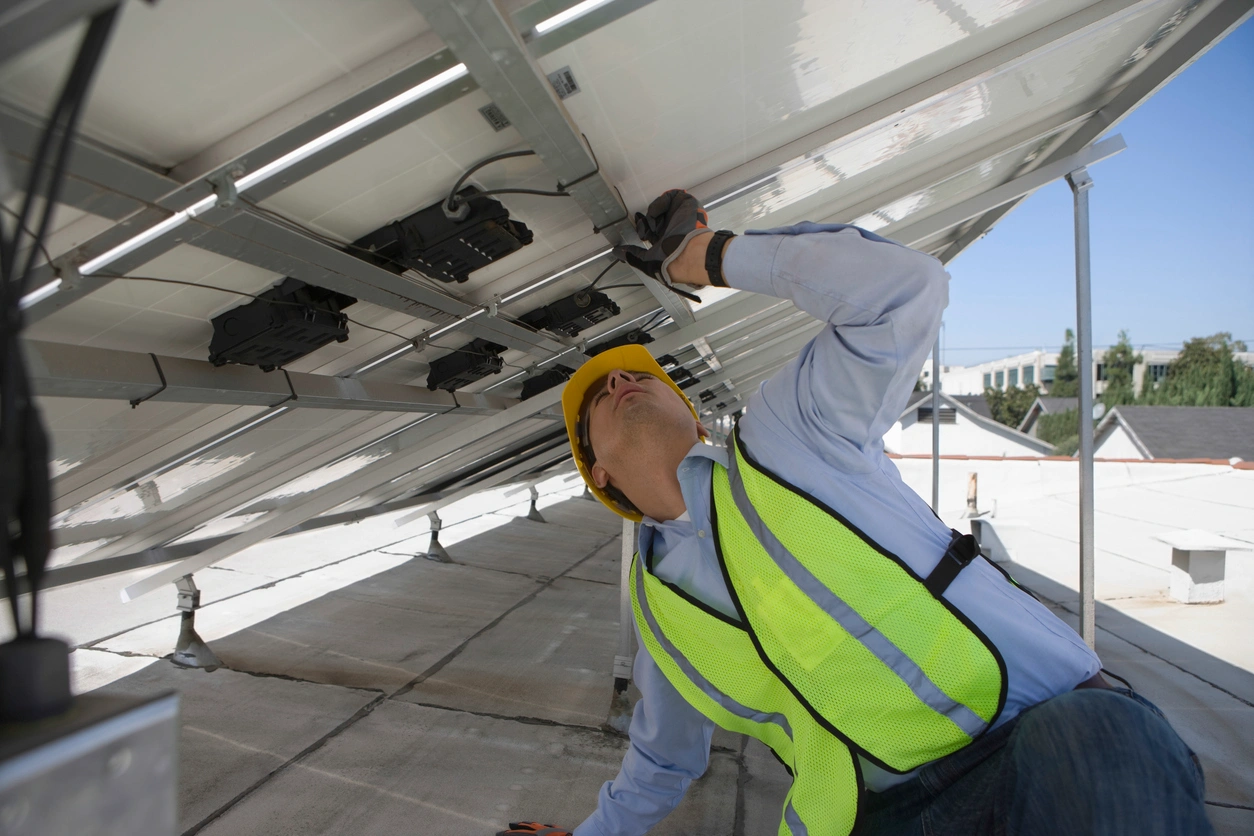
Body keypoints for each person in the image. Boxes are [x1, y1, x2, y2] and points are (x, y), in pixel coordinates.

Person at [497, 191, 1212, 836]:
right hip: (879, 815)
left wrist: (704, 257)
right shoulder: (657, 614)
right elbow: (660, 760)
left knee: (1092, 748)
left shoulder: (788, 435)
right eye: (599, 397)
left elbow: (905, 290)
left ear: (690, 414)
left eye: (642, 375)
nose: (623, 378)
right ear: (597, 470)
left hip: (1043, 730)